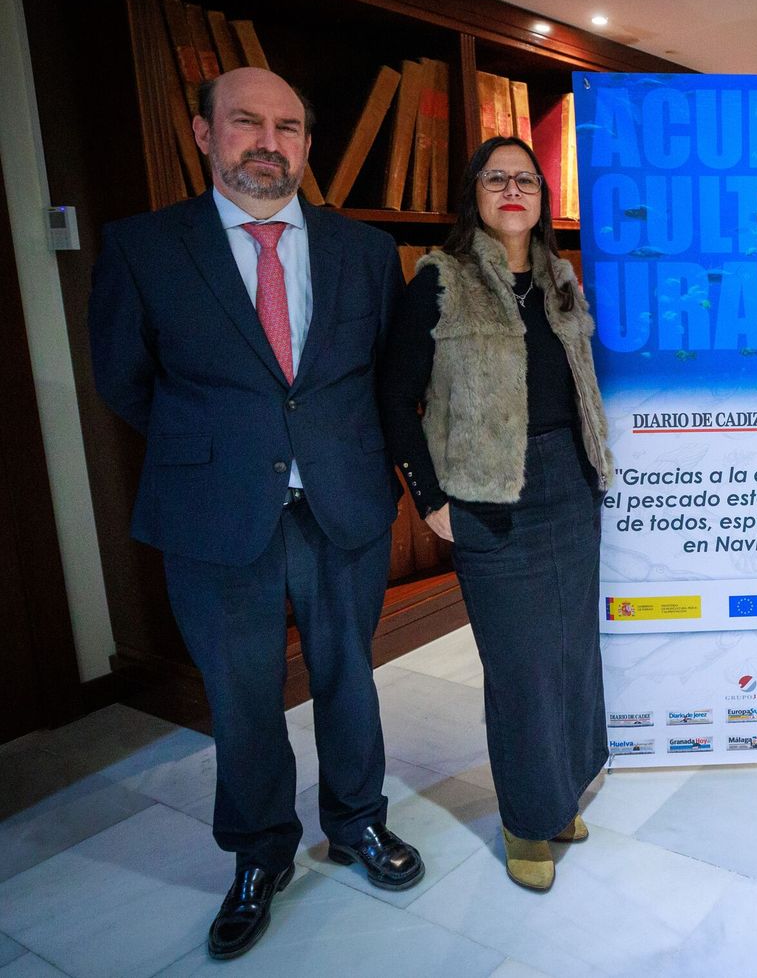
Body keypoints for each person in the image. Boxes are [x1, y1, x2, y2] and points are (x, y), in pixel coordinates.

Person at [89, 67, 422, 960]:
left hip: (341, 502)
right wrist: (223, 449)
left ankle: (357, 824)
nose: (268, 143)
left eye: (288, 127)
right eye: (245, 123)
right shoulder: (144, 248)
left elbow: (385, 376)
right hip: (213, 509)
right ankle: (259, 854)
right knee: (240, 697)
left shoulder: (363, 250)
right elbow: (124, 377)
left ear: (307, 145)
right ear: (203, 134)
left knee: (349, 676)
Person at [378, 136, 611, 891]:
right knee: (519, 667)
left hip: (570, 488)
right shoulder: (438, 282)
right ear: (473, 193)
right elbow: (393, 398)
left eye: (526, 179)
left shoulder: (562, 281)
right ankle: (523, 821)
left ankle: (561, 795)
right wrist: (429, 498)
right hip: (488, 498)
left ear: (543, 200)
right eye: (496, 177)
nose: (513, 189)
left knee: (573, 652)